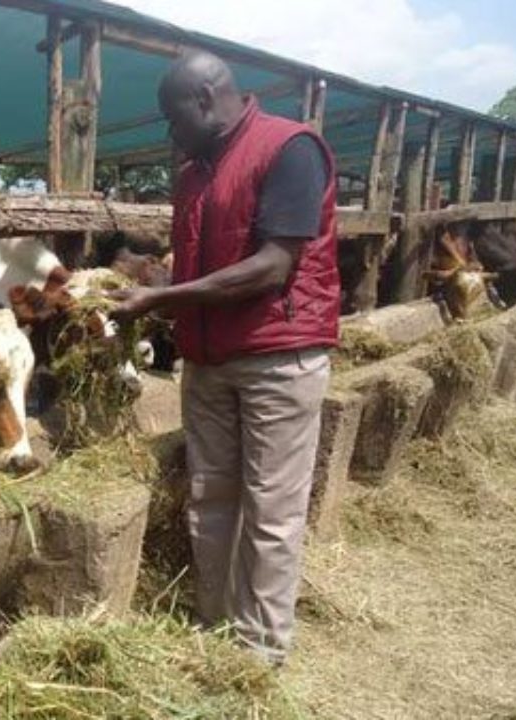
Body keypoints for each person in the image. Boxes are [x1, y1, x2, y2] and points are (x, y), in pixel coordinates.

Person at [110, 51, 340, 666]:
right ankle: (214, 626)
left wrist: (160, 297)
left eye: (172, 116)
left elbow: (274, 265)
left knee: (272, 507)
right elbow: (195, 268)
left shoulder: (289, 147)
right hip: (207, 360)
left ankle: (259, 652)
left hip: (277, 356)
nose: (169, 131)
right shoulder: (194, 173)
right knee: (210, 495)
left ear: (206, 98)